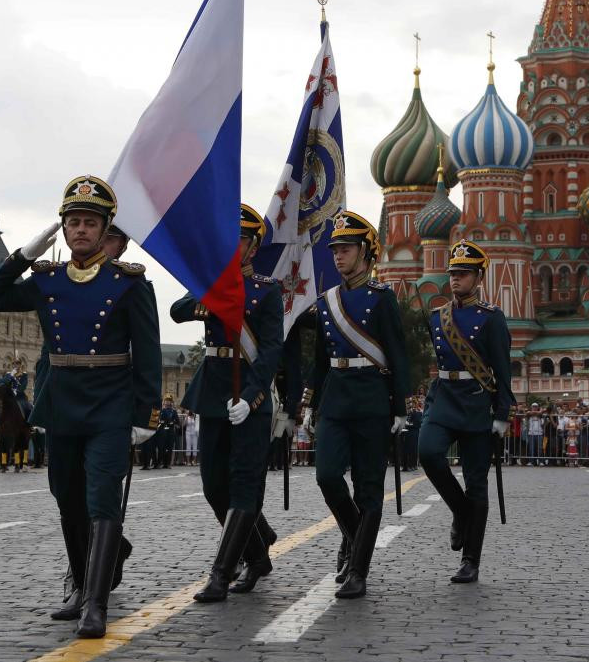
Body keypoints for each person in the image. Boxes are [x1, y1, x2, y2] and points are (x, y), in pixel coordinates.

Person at [0, 174, 162, 638]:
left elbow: (149, 354)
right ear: (63, 230)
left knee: (101, 498)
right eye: (73, 222)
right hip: (61, 405)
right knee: (67, 498)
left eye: (90, 223)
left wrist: (146, 415)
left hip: (109, 406)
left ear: (105, 231)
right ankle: (83, 581)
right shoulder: (47, 281)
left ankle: (95, 604)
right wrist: (23, 256)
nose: (80, 230)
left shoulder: (130, 284)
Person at [171, 203, 290, 603]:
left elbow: (271, 351)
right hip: (213, 393)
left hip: (248, 397)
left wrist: (254, 397)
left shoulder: (267, 291)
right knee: (212, 487)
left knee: (243, 486)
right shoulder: (212, 283)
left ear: (253, 246)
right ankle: (258, 551)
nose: (231, 245)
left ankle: (222, 573)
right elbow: (176, 312)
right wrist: (208, 288)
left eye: (239, 238)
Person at [304, 210, 409, 600]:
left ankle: (358, 571)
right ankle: (353, 536)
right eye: (335, 250)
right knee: (327, 476)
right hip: (335, 397)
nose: (338, 256)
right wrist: (310, 404)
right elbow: (318, 359)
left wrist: (399, 406)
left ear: (366, 252)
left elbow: (397, 352)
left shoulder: (382, 298)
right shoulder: (327, 300)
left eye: (346, 249)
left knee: (368, 489)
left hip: (371, 399)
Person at [418, 239, 513, 584]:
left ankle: (471, 559)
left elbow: (503, 369)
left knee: (477, 484)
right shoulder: (437, 317)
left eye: (463, 273)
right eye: (453, 273)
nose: (455, 279)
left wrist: (502, 414)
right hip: (444, 399)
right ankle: (460, 512)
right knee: (428, 453)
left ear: (478, 277)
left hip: (476, 403)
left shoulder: (491, 319)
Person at [155, 394, 180, 469]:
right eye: (166, 400)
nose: (167, 402)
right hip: (162, 430)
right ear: (164, 401)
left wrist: (174, 423)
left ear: (171, 402)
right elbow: (158, 420)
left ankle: (167, 463)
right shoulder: (161, 410)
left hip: (171, 431)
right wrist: (162, 422)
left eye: (169, 401)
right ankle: (160, 462)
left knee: (169, 447)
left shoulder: (174, 411)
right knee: (161, 447)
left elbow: (178, 422)